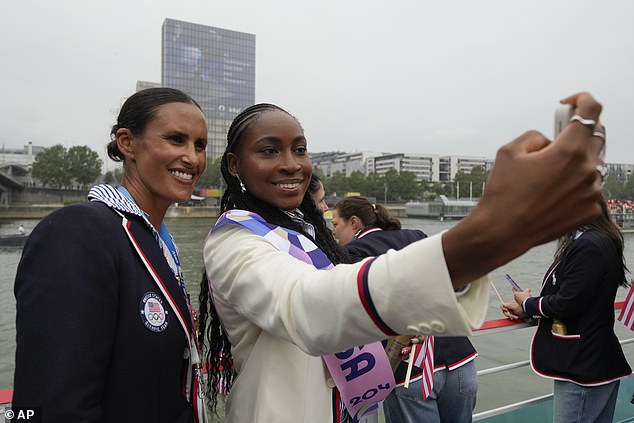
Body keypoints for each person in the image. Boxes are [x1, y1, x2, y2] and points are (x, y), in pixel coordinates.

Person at [199, 92, 606, 423]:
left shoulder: (302, 232)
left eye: (300, 149)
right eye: (269, 151)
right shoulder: (234, 239)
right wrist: (489, 233)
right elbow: (306, 304)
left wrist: (394, 341)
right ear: (235, 164)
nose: (291, 164)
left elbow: (339, 318)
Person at [13, 88, 208, 422]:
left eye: (200, 145)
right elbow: (56, 406)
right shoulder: (78, 232)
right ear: (126, 143)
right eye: (176, 139)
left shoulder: (159, 243)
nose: (192, 157)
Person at [332, 196, 478, 423]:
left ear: (354, 222)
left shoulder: (351, 253)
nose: (334, 232)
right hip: (460, 357)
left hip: (409, 367)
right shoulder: (416, 236)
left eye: (335, 224)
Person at [501, 195, 631, 423]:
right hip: (596, 360)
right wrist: (529, 310)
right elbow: (583, 298)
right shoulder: (602, 239)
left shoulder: (588, 245)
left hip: (582, 367)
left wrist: (528, 303)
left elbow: (568, 302)